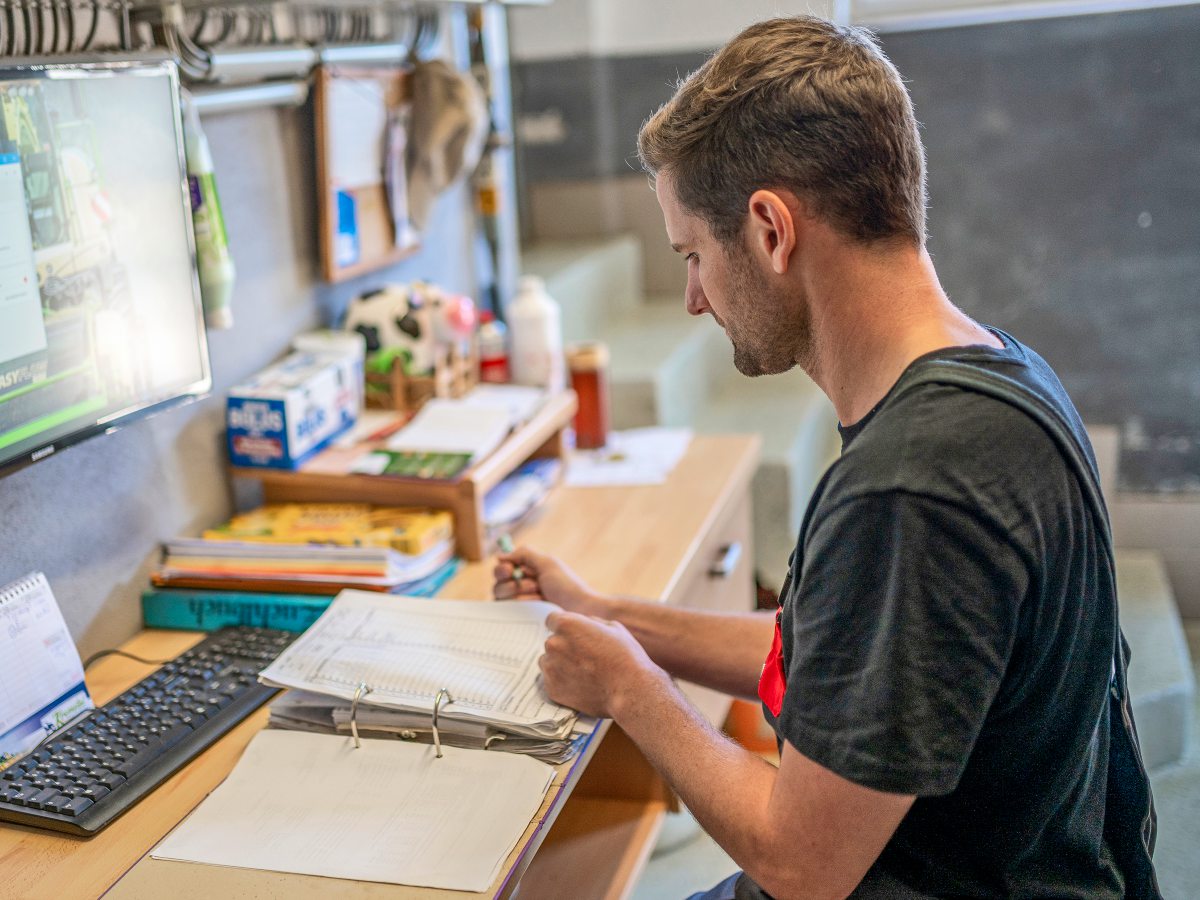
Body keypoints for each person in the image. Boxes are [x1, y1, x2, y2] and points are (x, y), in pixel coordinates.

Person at [494, 16, 1160, 899]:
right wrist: (612, 616)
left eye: (694, 254)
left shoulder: (915, 487)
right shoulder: (1000, 371)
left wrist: (631, 688)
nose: (693, 299)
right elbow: (844, 656)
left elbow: (801, 862)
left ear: (770, 230)